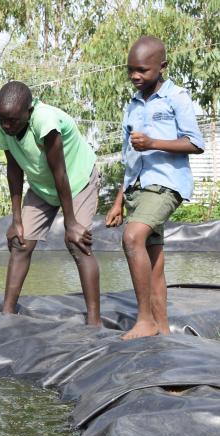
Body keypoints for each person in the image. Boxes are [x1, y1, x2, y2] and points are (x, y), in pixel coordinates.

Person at [105, 36, 204, 340]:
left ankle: (144, 319)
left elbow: (195, 143)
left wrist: (153, 143)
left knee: (132, 237)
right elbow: (129, 157)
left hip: (166, 185)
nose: (135, 76)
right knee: (154, 260)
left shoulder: (177, 98)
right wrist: (119, 200)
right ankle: (162, 330)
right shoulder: (132, 106)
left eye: (143, 70)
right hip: (138, 187)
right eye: (130, 70)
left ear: (162, 67)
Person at [0, 81, 101, 326]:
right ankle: (7, 312)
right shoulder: (2, 125)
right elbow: (14, 169)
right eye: (3, 120)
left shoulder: (45, 121)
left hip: (77, 180)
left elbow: (60, 172)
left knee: (77, 243)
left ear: (28, 112)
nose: (7, 126)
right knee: (20, 243)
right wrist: (16, 220)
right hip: (43, 186)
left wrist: (71, 223)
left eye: (13, 121)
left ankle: (95, 322)